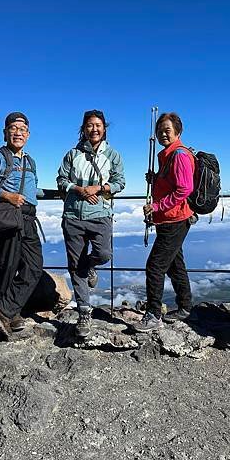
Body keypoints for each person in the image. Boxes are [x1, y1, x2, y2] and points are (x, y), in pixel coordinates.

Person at [57, 109, 125, 339]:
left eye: (98, 125)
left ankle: (91, 265)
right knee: (76, 266)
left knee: (104, 254)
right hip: (74, 215)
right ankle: (84, 313)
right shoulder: (72, 154)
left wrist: (100, 188)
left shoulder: (113, 155)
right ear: (83, 129)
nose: (94, 129)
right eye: (89, 125)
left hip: (101, 214)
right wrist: (78, 189)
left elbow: (120, 182)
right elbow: (61, 180)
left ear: (104, 128)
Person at [0, 112, 43, 341]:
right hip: (9, 217)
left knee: (34, 266)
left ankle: (5, 309)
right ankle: (7, 313)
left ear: (28, 134)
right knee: (8, 266)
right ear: (5, 132)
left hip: (28, 218)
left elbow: (33, 190)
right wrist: (6, 195)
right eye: (13, 128)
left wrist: (65, 193)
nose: (18, 132)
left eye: (22, 129)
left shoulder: (29, 161)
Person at [134, 112, 195, 332]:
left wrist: (157, 207)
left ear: (177, 132)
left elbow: (184, 188)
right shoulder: (167, 156)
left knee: (155, 266)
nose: (162, 134)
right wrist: (156, 179)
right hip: (171, 220)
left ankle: (153, 315)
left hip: (174, 219)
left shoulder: (178, 155)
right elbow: (172, 183)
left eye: (166, 130)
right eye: (159, 131)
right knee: (175, 264)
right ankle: (185, 307)